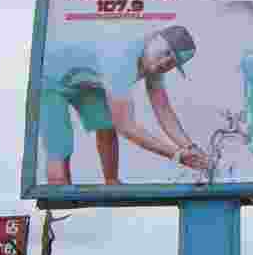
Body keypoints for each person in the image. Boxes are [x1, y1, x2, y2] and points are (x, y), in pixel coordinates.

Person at [39, 25, 211, 184]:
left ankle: (111, 184)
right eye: (165, 53)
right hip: (51, 79)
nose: (164, 63)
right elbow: (127, 127)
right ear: (152, 39)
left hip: (86, 80)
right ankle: (58, 189)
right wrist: (177, 155)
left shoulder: (154, 62)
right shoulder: (121, 60)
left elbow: (163, 110)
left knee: (106, 127)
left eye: (172, 63)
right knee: (60, 146)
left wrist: (189, 147)